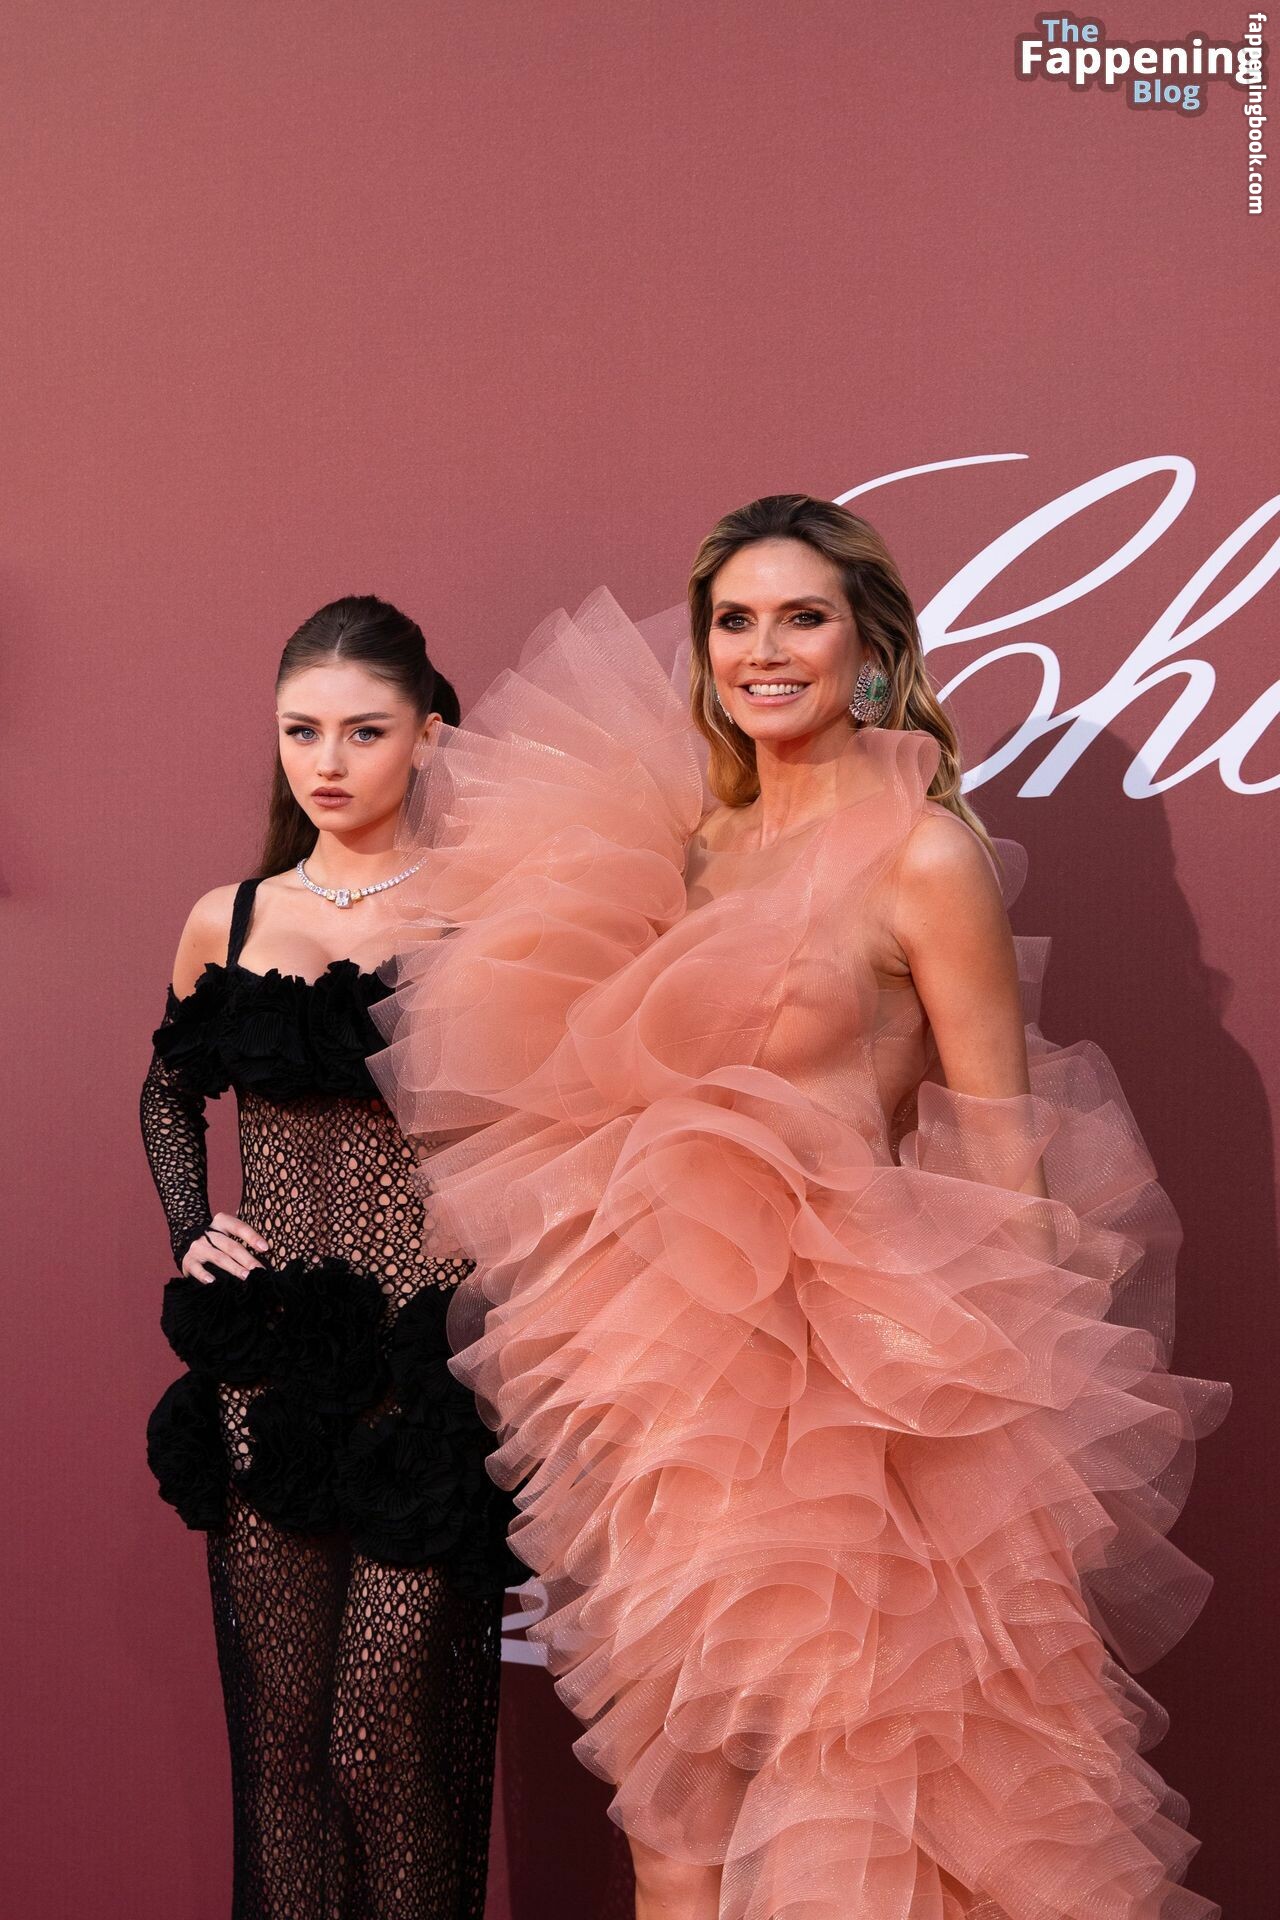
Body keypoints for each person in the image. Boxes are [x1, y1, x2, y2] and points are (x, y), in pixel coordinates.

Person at [368, 500, 1230, 1920]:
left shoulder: (923, 856)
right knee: (676, 1820)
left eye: (802, 617)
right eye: (735, 621)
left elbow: (1001, 1147)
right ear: (705, 651)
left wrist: (1018, 1454)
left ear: (869, 648)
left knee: (864, 1810)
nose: (764, 650)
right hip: (663, 1396)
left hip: (849, 1399)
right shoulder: (680, 851)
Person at [140, 595, 522, 1920]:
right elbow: (167, 1091)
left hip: (428, 1374)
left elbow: (559, 1118)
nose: (329, 761)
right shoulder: (232, 917)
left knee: (382, 1746)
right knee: (288, 1759)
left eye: (364, 730)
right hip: (270, 1379)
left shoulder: (491, 911)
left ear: (429, 736)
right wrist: (194, 1227)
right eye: (301, 730)